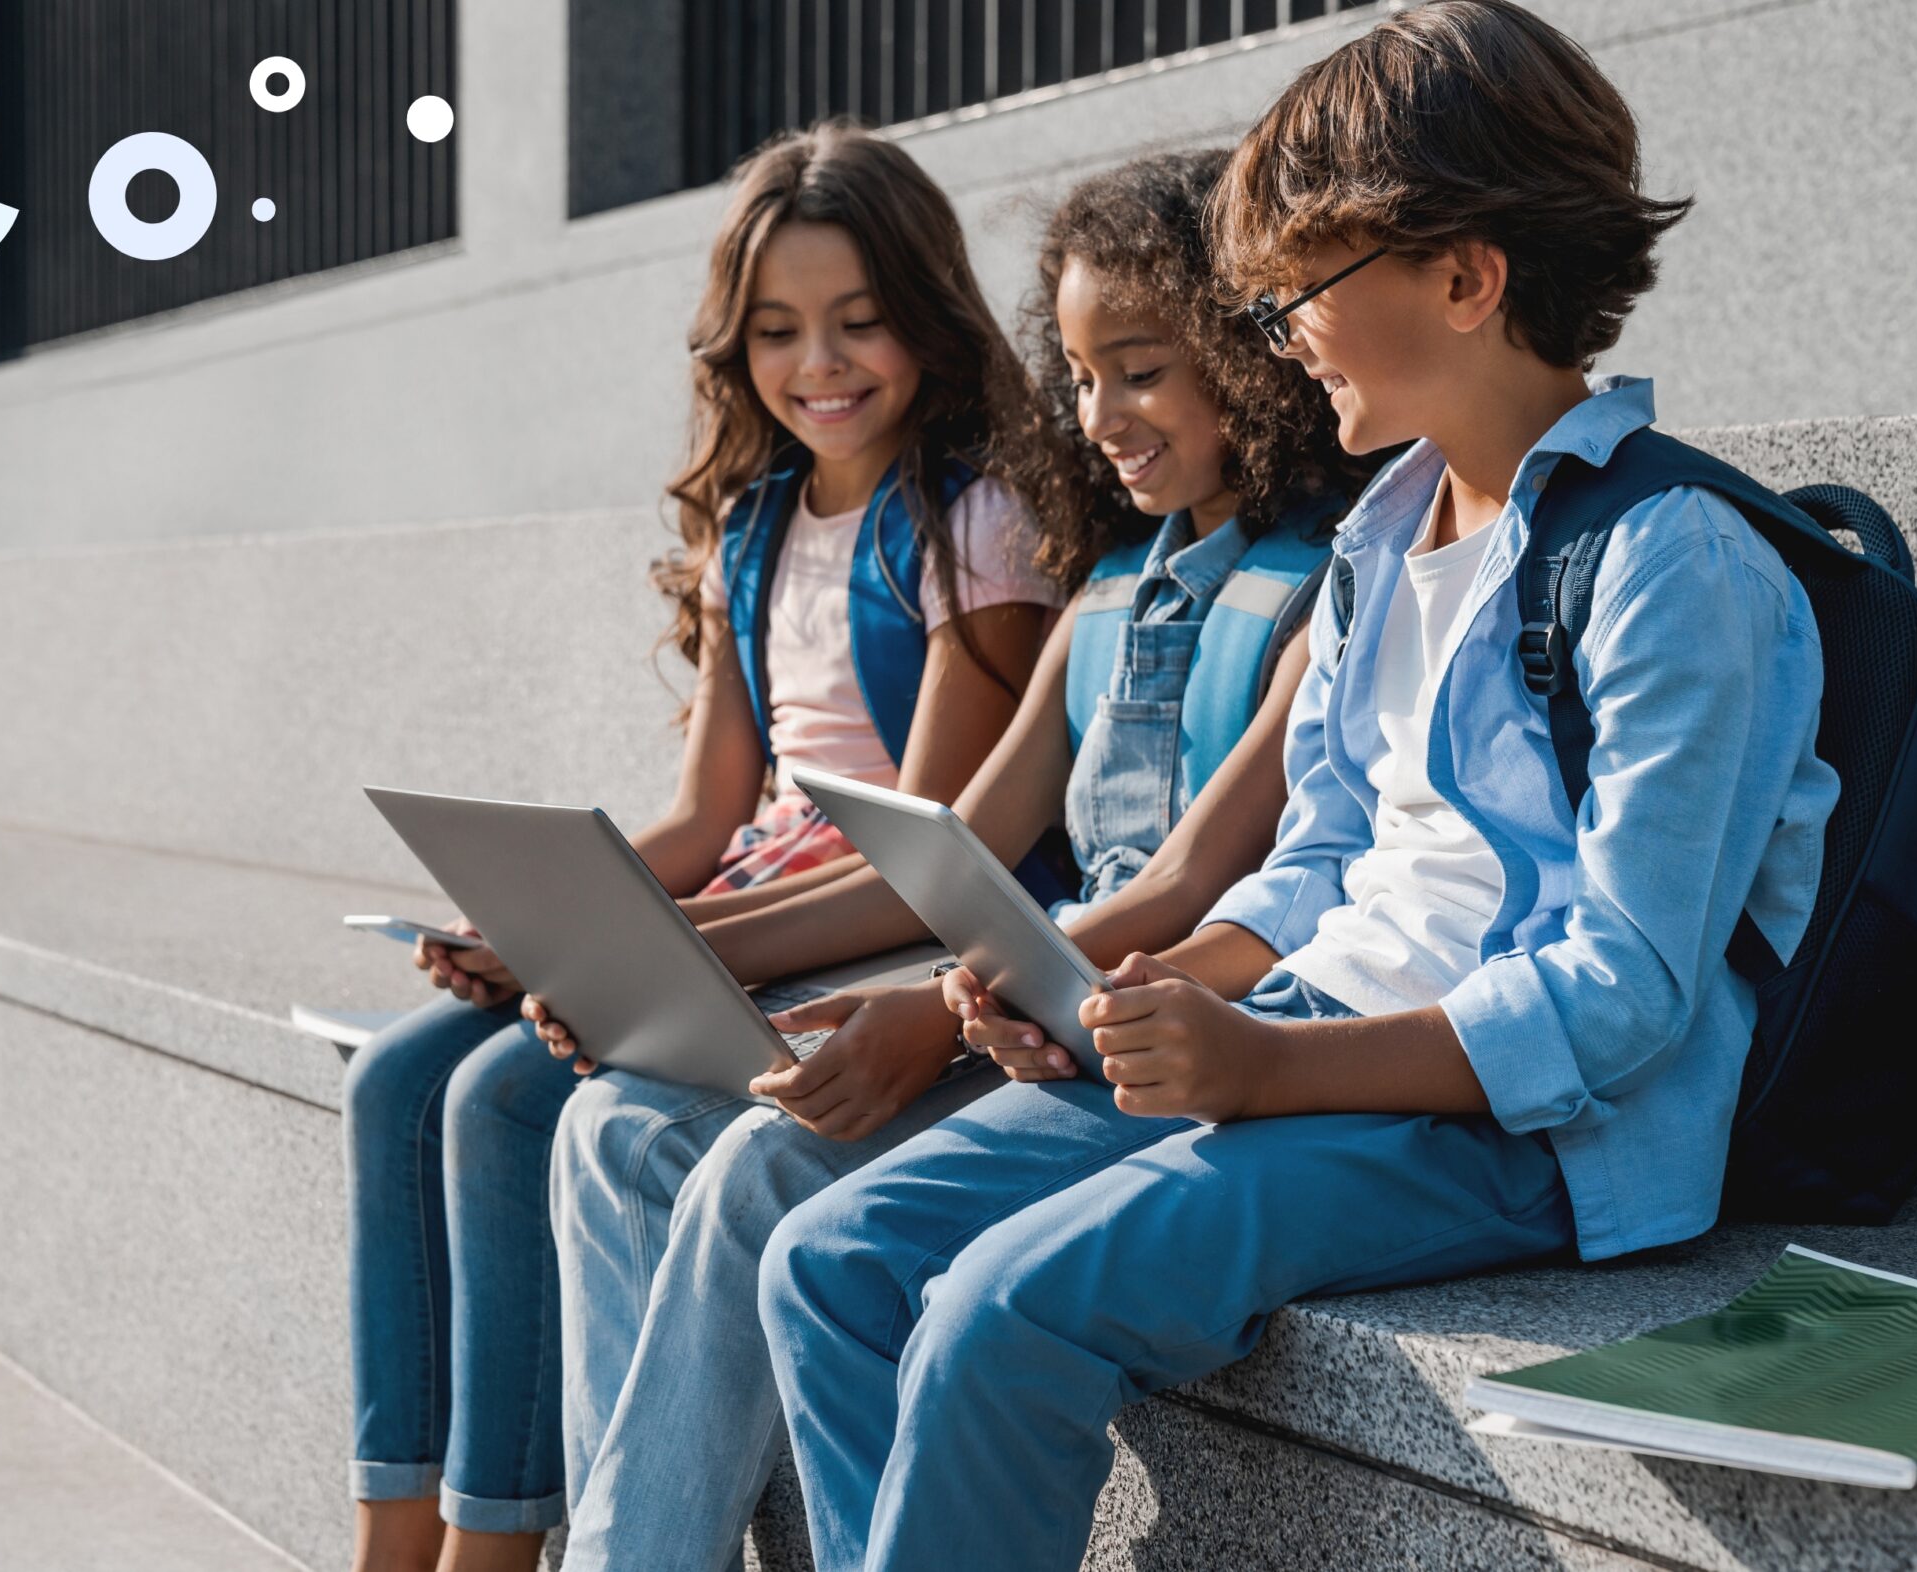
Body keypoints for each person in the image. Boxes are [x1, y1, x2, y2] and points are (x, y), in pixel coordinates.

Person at [758, 6, 1844, 1569]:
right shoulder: (1379, 543)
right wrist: (1105, 998)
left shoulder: (1672, 563)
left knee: (1006, 1312)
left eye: (1297, 299)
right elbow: (1313, 871)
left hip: (1518, 1125)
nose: (1281, 343)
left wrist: (1268, 1076)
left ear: (1467, 277)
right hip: (1307, 1037)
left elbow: (1624, 995)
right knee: (835, 1257)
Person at [531, 149, 1373, 1572]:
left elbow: (1194, 894)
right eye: (1084, 375)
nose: (1100, 416)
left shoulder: (1322, 593)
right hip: (1029, 1015)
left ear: (1251, 354)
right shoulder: (1105, 593)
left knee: (766, 1183)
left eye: (1144, 370)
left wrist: (932, 1017)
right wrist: (683, 964)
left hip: (1162, 1039)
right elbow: (962, 850)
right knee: (623, 1131)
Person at [341, 121, 1064, 1572]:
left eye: (862, 323)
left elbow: (918, 866)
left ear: (928, 313)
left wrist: (656, 952)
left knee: (502, 1103)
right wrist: (538, 919)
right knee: (398, 1074)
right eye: (782, 331)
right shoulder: (752, 526)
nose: (824, 365)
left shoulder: (966, 524)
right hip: (752, 911)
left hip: (870, 941)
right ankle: (395, 1530)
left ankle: (503, 1543)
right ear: (736, 348)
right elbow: (703, 815)